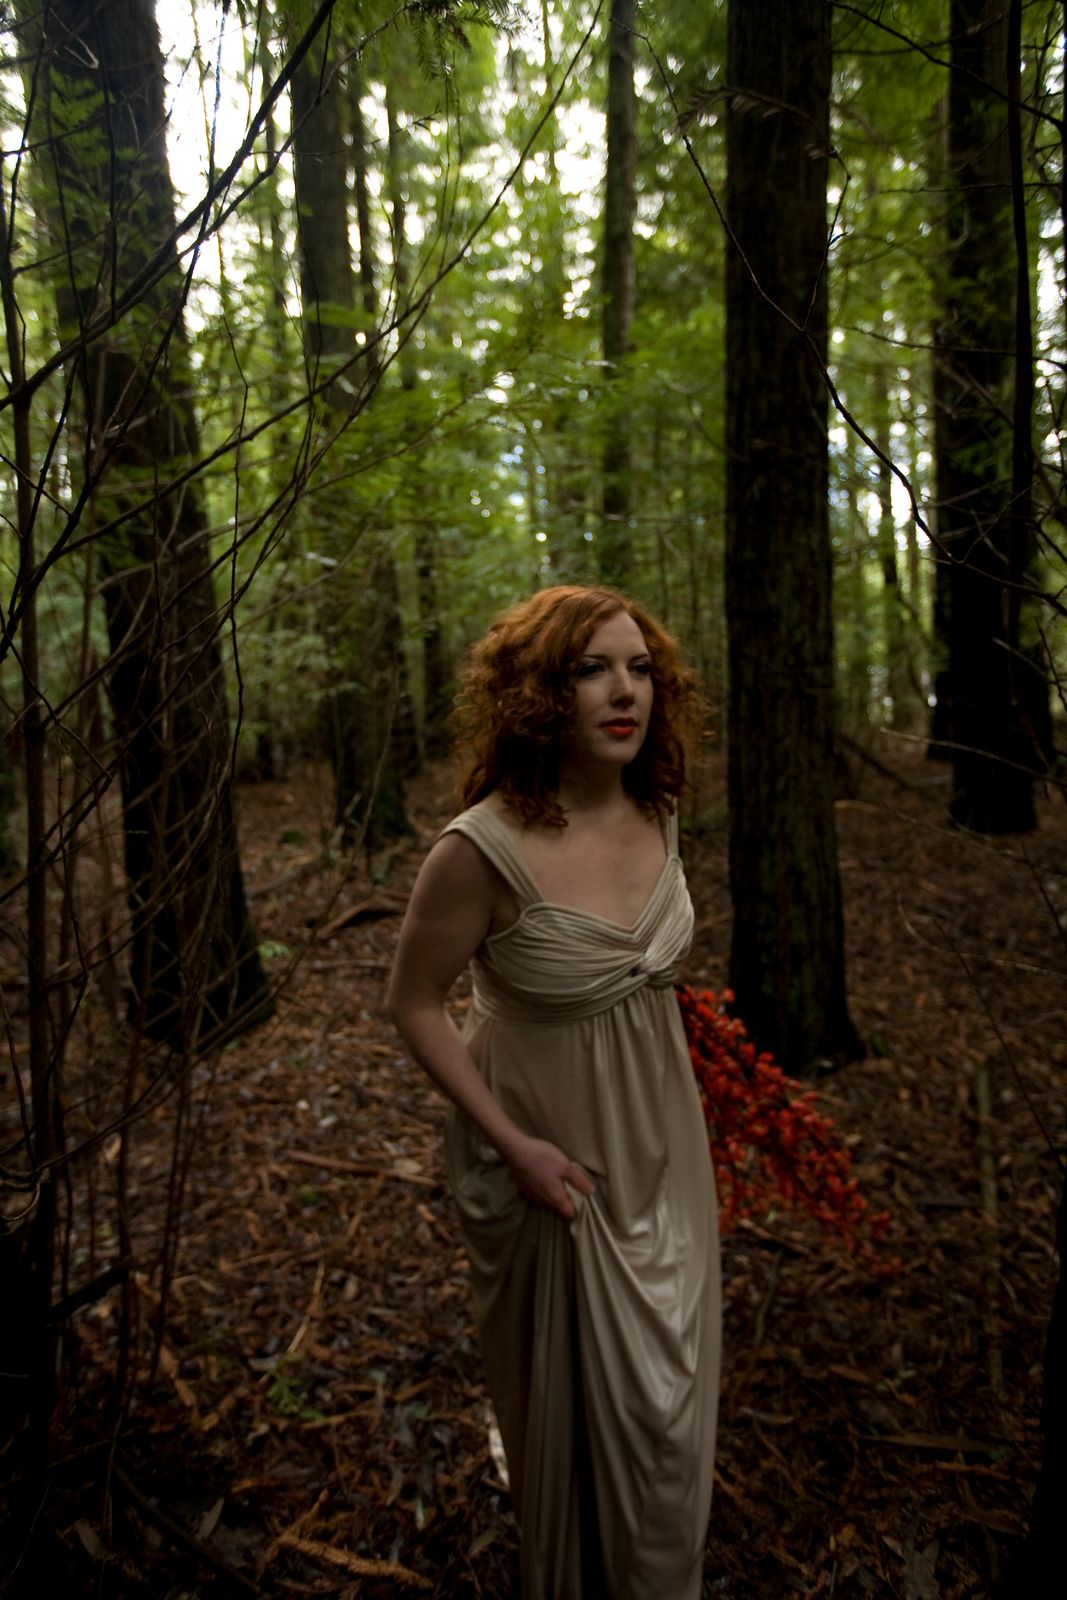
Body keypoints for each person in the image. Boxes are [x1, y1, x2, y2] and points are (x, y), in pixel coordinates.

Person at [387, 585, 721, 1600]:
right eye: (591, 670)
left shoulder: (658, 810)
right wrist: (513, 1146)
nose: (625, 692)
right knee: (579, 1417)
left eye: (639, 670)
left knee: (669, 1412)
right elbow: (413, 1003)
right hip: (544, 1156)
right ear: (539, 693)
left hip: (663, 1146)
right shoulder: (478, 848)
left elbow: (640, 987)